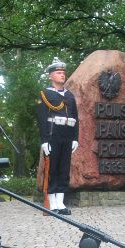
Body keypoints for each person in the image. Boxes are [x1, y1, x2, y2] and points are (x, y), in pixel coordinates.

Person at [36, 57, 79, 215]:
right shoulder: (45, 94)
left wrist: (75, 137)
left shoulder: (70, 95)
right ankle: (52, 202)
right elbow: (41, 119)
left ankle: (60, 202)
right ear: (51, 76)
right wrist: (44, 140)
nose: (62, 75)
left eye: (63, 73)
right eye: (59, 73)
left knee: (64, 169)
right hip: (53, 134)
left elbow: (76, 117)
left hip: (67, 135)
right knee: (52, 169)